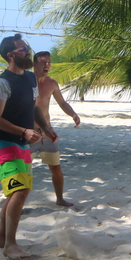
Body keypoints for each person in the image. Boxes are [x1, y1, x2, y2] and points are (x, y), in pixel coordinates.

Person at [0, 33, 48, 260]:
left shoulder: (31, 79)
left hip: (23, 141)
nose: (27, 51)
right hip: (4, 140)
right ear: (11, 55)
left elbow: (33, 109)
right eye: (23, 49)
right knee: (21, 190)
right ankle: (10, 245)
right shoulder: (2, 83)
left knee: (17, 190)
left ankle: (2, 238)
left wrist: (44, 127)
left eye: (27, 47)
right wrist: (24, 131)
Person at [32, 51, 81, 207]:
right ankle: (15, 203)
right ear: (34, 64)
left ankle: (60, 199)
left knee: (56, 167)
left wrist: (73, 114)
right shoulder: (26, 82)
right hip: (28, 133)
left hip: (48, 134)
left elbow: (62, 103)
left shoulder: (52, 83)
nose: (47, 65)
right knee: (22, 169)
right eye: (43, 62)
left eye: (49, 62)